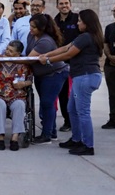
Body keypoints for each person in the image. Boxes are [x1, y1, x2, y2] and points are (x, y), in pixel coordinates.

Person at [39, 9, 103, 156]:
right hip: (83, 77)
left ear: (87, 23)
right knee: (72, 109)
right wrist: (47, 54)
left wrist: (47, 60)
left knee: (83, 112)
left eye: (80, 21)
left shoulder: (86, 37)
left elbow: (68, 54)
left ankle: (88, 145)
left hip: (85, 77)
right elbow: (65, 47)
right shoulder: (85, 37)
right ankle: (76, 139)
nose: (78, 23)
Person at [26, 14, 69, 144]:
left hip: (54, 74)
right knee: (46, 104)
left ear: (42, 28)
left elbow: (29, 59)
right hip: (41, 75)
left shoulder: (45, 41)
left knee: (47, 103)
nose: (30, 29)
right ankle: (52, 131)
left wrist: (8, 59)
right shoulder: (32, 36)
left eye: (33, 27)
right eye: (30, 26)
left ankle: (47, 135)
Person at [0, 40, 33, 151]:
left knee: (20, 105)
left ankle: (15, 138)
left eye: (11, 51)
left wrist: (23, 84)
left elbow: (30, 80)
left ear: (18, 54)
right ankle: (0, 137)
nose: (7, 52)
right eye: (7, 49)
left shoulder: (23, 63)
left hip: (16, 93)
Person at [54, 0, 80, 133]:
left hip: (76, 63)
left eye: (66, 3)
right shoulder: (55, 21)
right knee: (63, 94)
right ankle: (67, 121)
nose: (64, 6)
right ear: (57, 6)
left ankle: (78, 121)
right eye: (61, 4)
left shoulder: (77, 19)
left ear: (70, 4)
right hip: (60, 64)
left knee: (76, 94)